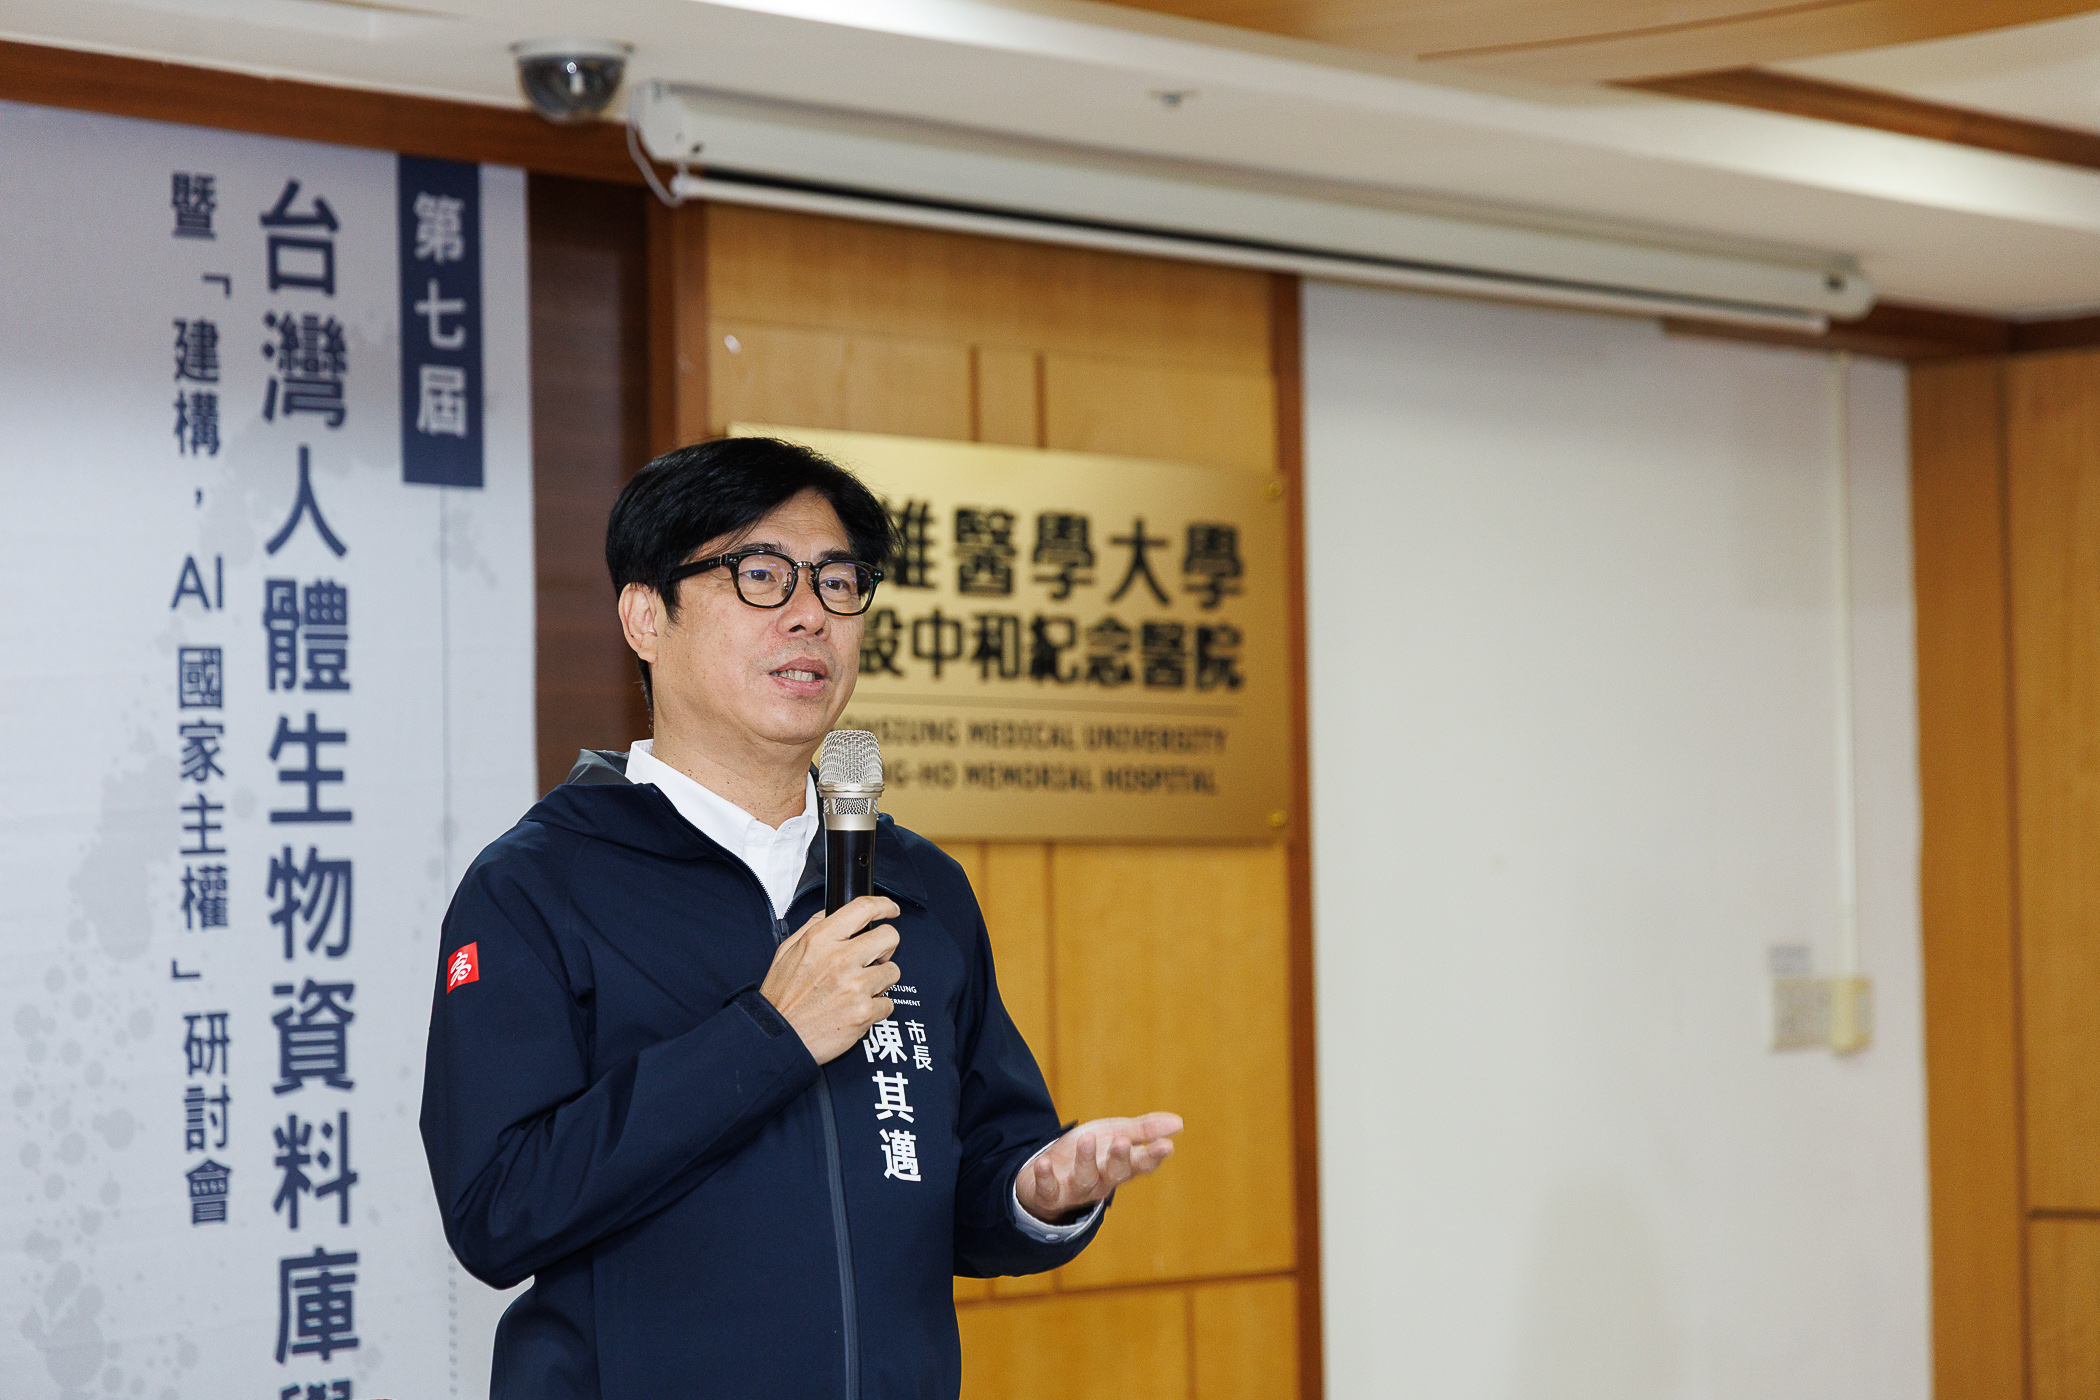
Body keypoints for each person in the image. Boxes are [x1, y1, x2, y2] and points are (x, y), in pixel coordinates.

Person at [420, 435, 1182, 1398]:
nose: (811, 614)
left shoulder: (920, 886)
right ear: (645, 617)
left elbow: (969, 1179)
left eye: (837, 581)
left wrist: (1037, 1193)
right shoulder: (538, 884)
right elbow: (497, 1210)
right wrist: (769, 1036)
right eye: (761, 575)